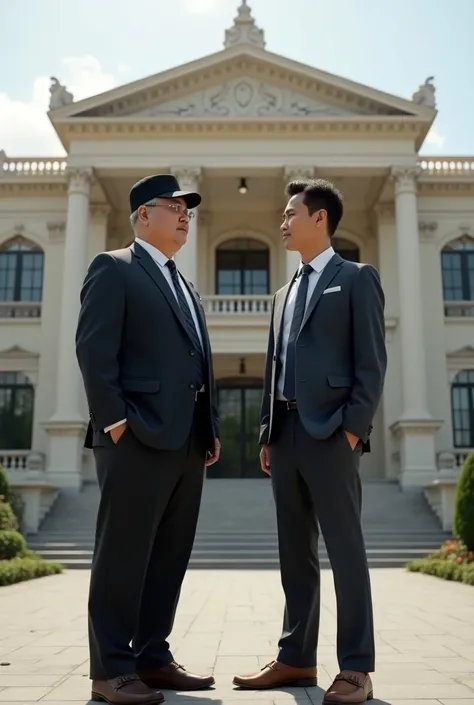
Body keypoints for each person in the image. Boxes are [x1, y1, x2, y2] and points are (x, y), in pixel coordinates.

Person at [233, 179, 387, 704]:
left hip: (332, 435)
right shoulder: (281, 295)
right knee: (294, 554)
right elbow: (274, 369)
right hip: (287, 434)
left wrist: (352, 430)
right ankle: (296, 659)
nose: (282, 221)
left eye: (290, 212)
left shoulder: (357, 278)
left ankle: (357, 668)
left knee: (345, 552)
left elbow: (371, 363)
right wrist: (266, 433)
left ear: (318, 218)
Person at [76, 174, 220, 705]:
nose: (185, 215)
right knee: (123, 554)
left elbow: (196, 363)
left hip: (185, 442)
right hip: (135, 436)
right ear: (142, 215)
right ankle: (110, 670)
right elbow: (94, 349)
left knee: (168, 555)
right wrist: (116, 422)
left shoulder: (184, 284)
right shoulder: (113, 268)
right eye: (173, 207)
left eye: (189, 209)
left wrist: (208, 429)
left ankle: (152, 658)